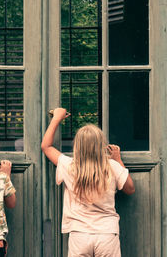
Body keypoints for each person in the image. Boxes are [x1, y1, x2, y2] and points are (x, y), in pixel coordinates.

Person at [41, 108, 135, 257]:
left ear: (77, 145)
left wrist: (57, 118)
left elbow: (46, 146)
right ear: (101, 145)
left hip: (79, 234)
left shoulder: (69, 166)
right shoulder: (112, 166)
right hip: (106, 233)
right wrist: (118, 160)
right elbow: (130, 188)